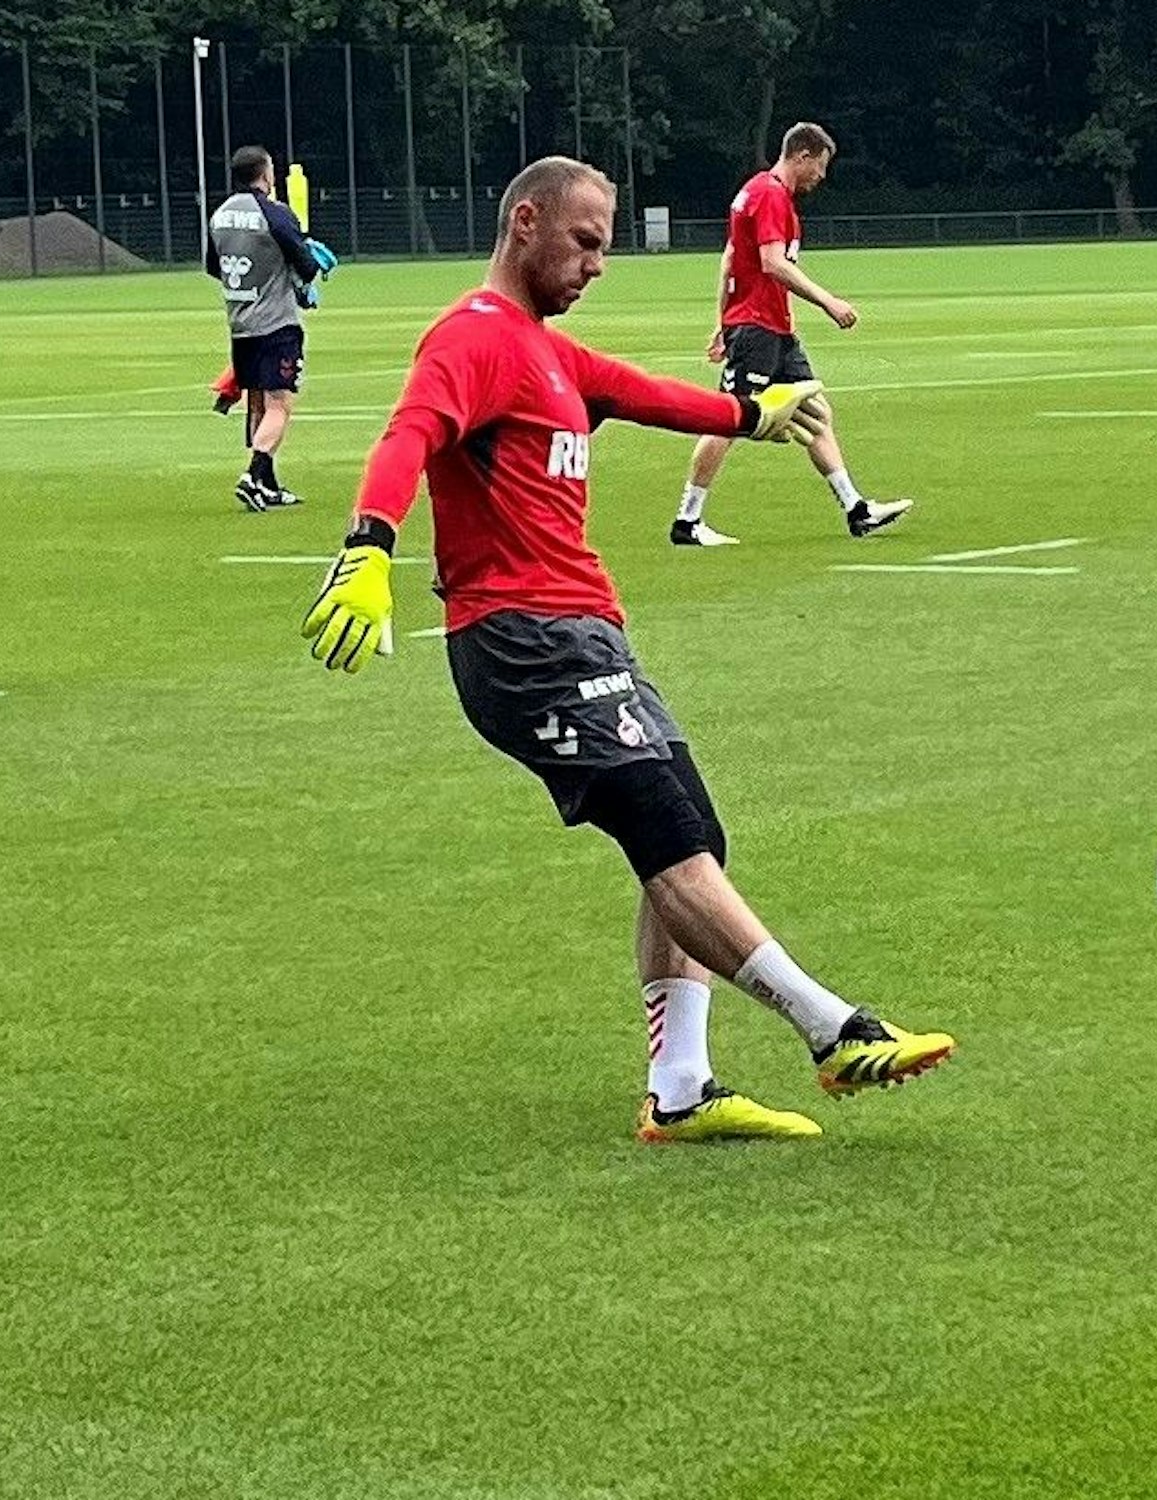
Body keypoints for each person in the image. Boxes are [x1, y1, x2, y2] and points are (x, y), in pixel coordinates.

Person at [299, 157, 955, 1144]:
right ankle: (833, 1030)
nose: (597, 265)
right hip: (520, 645)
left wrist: (750, 415)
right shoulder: (471, 338)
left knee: (691, 838)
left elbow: (645, 393)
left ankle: (681, 1088)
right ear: (526, 223)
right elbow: (410, 435)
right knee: (668, 832)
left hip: (587, 637)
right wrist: (368, 546)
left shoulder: (549, 355)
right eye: (585, 242)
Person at [669, 122, 912, 547]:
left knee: (816, 413)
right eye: (820, 166)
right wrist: (828, 301)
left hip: (773, 330)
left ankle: (856, 509)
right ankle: (687, 521)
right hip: (758, 329)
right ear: (802, 156)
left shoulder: (756, 191)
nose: (821, 176)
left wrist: (723, 321)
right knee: (729, 418)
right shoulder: (770, 195)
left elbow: (730, 258)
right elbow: (773, 263)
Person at [206, 146, 329, 512]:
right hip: (276, 323)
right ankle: (253, 474)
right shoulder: (275, 214)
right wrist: (309, 263)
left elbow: (213, 266)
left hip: (240, 323)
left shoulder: (220, 214)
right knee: (280, 404)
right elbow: (306, 266)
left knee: (257, 401)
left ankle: (268, 484)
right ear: (265, 173)